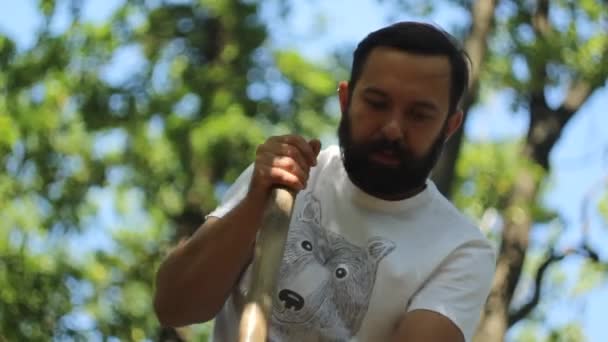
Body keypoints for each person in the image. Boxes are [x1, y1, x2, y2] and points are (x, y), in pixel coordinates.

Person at [154, 21, 496, 342]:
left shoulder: (459, 250)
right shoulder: (283, 179)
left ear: (449, 127)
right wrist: (253, 206)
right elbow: (174, 306)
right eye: (377, 104)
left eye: (419, 115)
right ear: (345, 100)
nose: (393, 128)